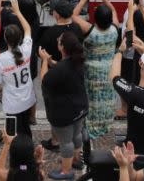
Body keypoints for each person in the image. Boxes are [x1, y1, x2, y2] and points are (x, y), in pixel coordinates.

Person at [71, 0, 120, 140]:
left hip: (91, 71)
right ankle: (104, 124)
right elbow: (113, 10)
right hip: (109, 71)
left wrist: (83, 0)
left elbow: (73, 16)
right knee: (106, 99)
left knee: (92, 99)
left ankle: (91, 125)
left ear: (95, 19)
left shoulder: (89, 30)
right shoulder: (114, 29)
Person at [39, 31, 88, 180]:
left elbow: (44, 80)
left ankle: (66, 172)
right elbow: (63, 69)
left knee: (66, 142)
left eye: (59, 41)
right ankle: (76, 160)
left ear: (62, 47)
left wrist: (44, 61)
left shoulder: (61, 70)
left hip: (64, 112)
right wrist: (53, 63)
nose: (57, 41)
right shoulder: (78, 61)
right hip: (80, 107)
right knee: (77, 134)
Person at [0, 1, 36, 137]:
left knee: (13, 133)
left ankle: (17, 153)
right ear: (20, 38)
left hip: (12, 103)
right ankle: (27, 149)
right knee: (26, 129)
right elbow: (28, 29)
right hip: (27, 99)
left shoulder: (1, 59)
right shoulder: (26, 49)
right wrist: (18, 11)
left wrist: (1, 91)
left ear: (5, 39)